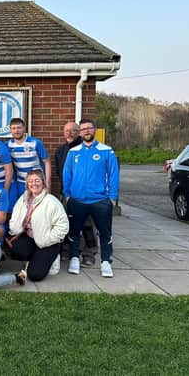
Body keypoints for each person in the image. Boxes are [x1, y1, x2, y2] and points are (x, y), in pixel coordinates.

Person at [63, 118, 119, 278]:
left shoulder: (106, 151)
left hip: (100, 201)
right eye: (83, 129)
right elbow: (67, 174)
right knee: (74, 232)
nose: (86, 131)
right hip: (77, 200)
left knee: (104, 233)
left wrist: (112, 198)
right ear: (80, 133)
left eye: (89, 128)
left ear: (94, 130)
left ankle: (106, 261)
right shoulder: (73, 152)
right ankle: (74, 258)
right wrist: (67, 195)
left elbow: (114, 175)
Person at [7, 169, 68, 282]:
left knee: (35, 275)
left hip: (47, 242)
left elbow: (63, 227)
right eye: (30, 181)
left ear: (43, 183)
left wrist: (47, 239)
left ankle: (53, 259)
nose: (34, 184)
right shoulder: (23, 199)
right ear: (27, 184)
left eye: (37, 180)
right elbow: (15, 217)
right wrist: (15, 228)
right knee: (16, 251)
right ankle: (37, 258)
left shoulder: (51, 202)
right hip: (30, 237)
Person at [55, 121, 98, 266]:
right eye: (66, 130)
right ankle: (68, 251)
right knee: (66, 223)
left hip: (85, 195)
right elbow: (59, 172)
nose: (69, 133)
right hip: (66, 194)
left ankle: (89, 253)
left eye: (73, 130)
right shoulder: (60, 150)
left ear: (78, 132)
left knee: (87, 225)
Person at [7, 117, 51, 209]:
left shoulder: (35, 142)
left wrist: (47, 183)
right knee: (23, 208)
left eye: (19, 128)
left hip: (37, 183)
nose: (16, 131)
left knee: (39, 209)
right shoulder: (8, 145)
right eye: (14, 128)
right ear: (10, 130)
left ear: (24, 128)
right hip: (21, 182)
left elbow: (46, 162)